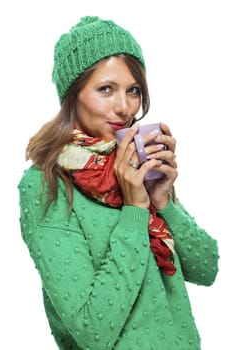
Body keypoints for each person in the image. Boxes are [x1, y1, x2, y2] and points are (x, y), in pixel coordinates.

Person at [18, 16, 219, 350]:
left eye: (133, 91)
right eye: (105, 89)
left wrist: (162, 200)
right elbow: (92, 331)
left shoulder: (136, 165)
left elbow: (206, 268)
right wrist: (134, 209)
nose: (125, 108)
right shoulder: (45, 184)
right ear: (73, 95)